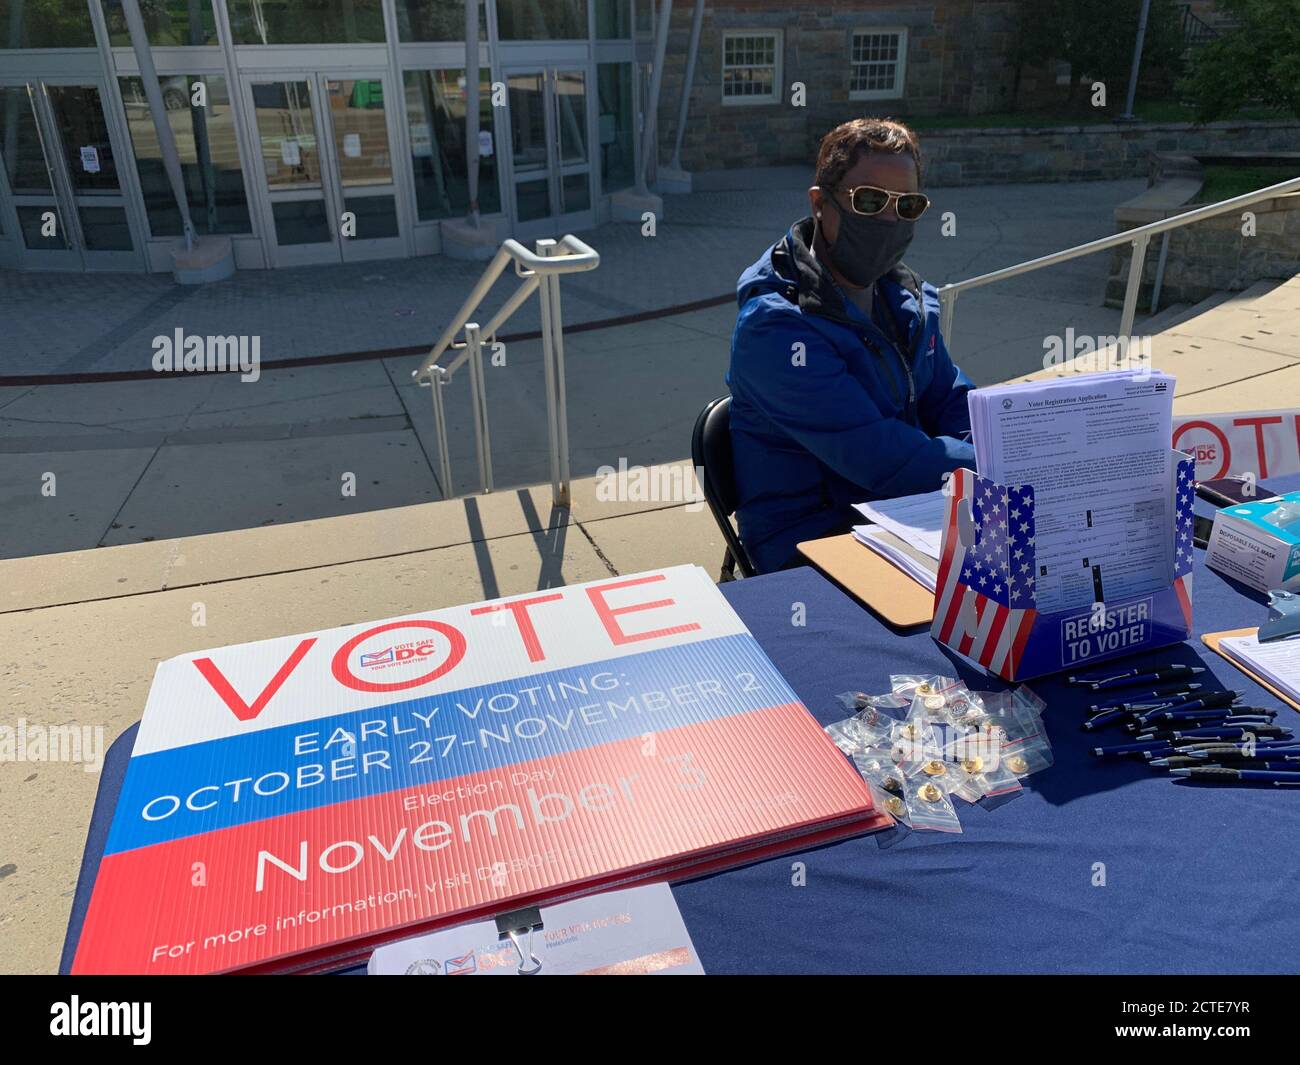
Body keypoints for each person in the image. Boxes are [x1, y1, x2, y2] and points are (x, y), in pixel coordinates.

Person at [727, 117, 975, 574]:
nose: (887, 220)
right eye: (870, 200)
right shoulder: (776, 331)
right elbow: (883, 461)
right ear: (821, 204)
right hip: (812, 544)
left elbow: (954, 400)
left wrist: (1012, 448)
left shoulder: (907, 301)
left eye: (907, 206)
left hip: (904, 515)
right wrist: (999, 471)